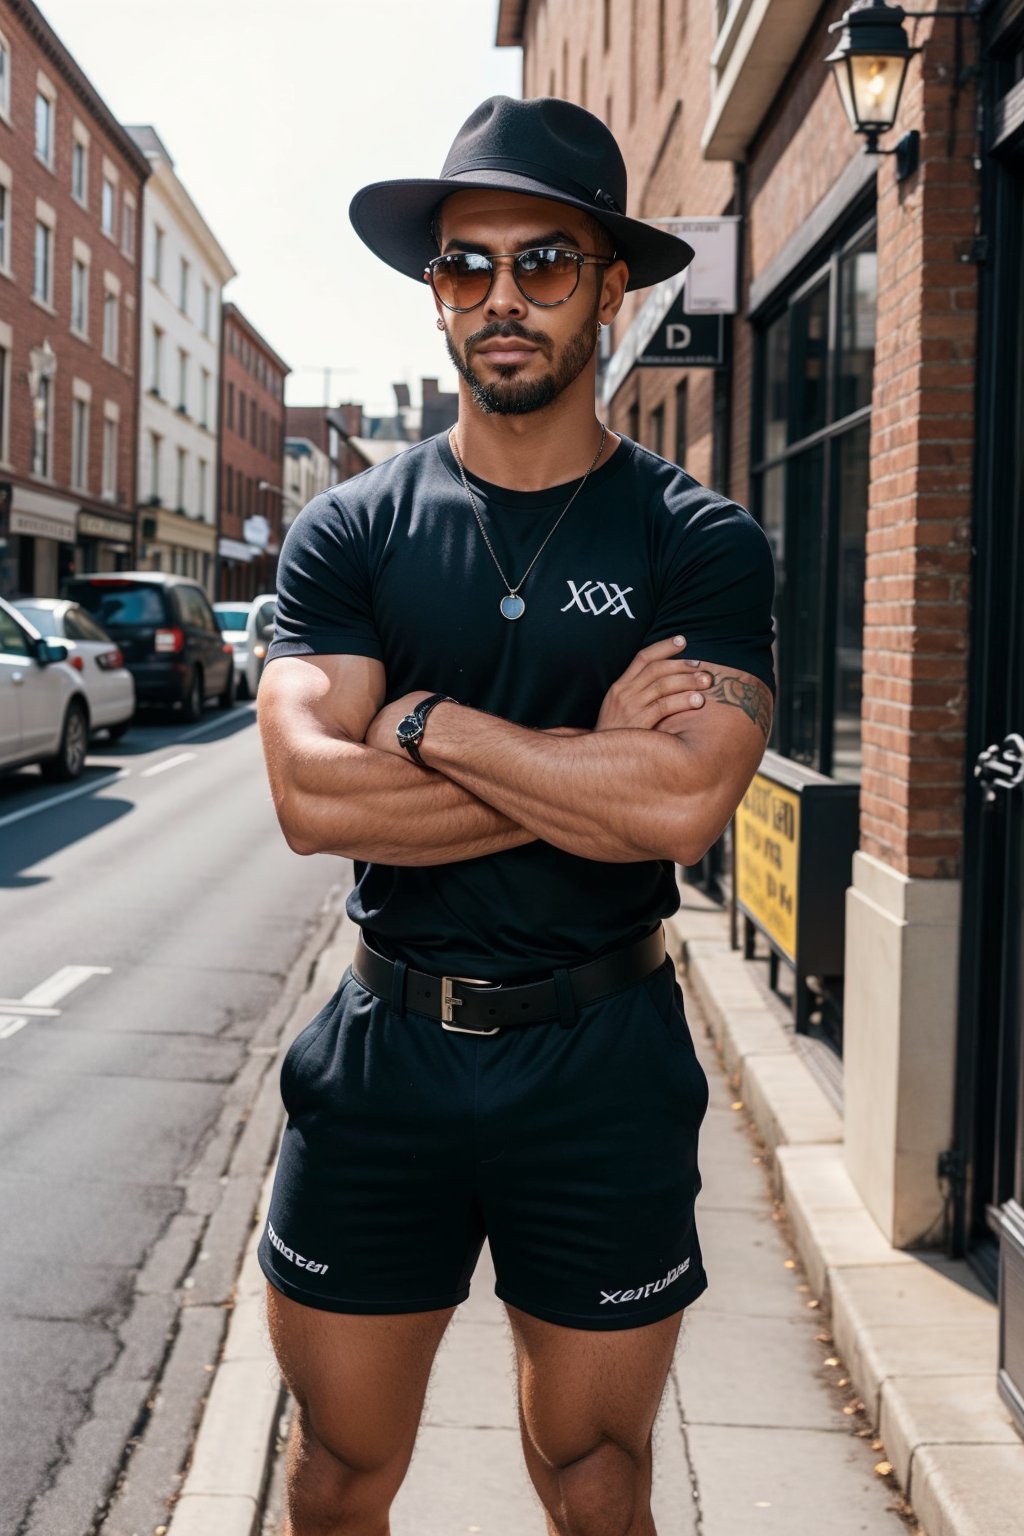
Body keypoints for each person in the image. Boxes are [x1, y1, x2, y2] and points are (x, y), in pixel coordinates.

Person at [257, 95, 775, 1536]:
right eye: (464, 265)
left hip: (600, 1062)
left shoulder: (697, 540)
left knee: (595, 1477)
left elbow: (679, 802)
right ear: (435, 297)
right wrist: (576, 769)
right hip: (383, 1062)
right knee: (343, 1473)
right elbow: (310, 796)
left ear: (613, 286)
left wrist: (429, 725)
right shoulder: (351, 529)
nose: (501, 296)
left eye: (544, 261)